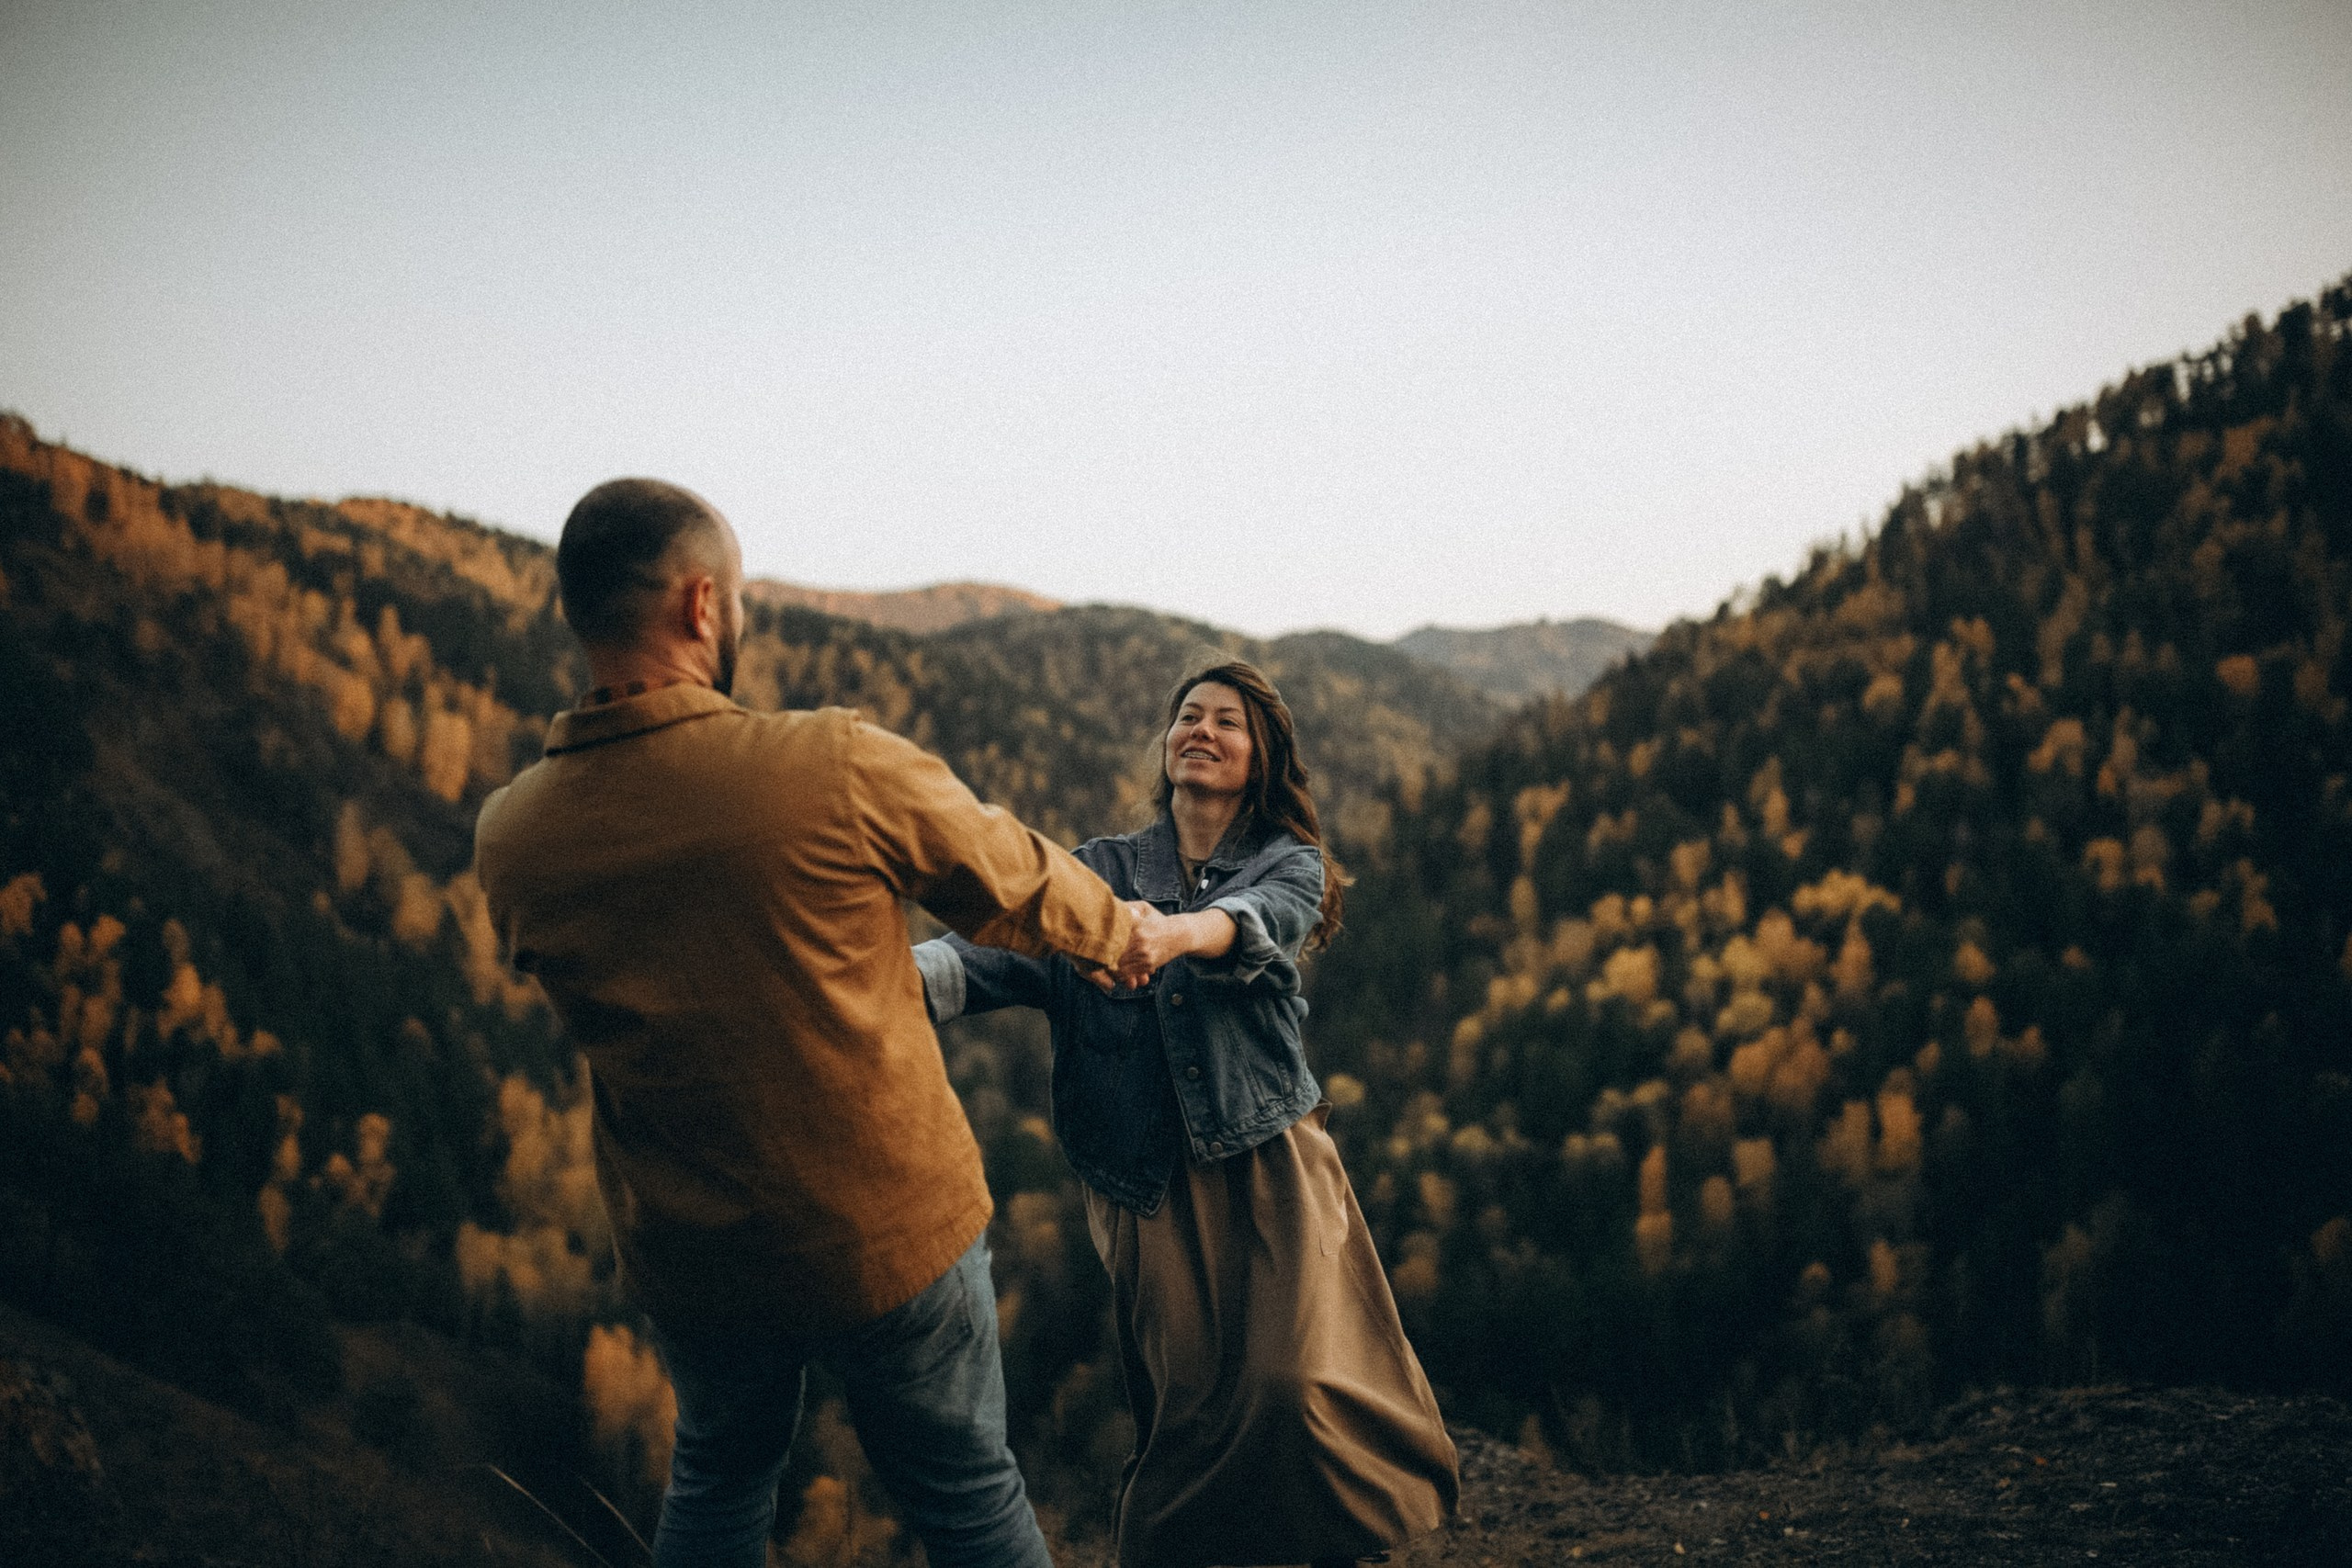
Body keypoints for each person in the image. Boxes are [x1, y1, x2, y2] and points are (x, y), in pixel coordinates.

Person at [474, 478, 1140, 1568]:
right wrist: (1129, 938)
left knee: (718, 1481)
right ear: (701, 606)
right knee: (970, 1495)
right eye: (736, 599)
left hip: (694, 1253)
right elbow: (1010, 879)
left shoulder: (512, 837)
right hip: (887, 1229)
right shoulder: (824, 765)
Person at [914, 662, 1460, 1568]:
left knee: (1296, 1385)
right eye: (1188, 718)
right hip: (1139, 1180)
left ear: (1260, 759)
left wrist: (1168, 934)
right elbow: (991, 958)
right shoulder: (1098, 870)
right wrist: (881, 980)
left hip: (1269, 1159)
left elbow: (1254, 919)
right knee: (1189, 1413)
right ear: (1167, 746)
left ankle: (1371, 1531)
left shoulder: (1289, 863)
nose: (1201, 731)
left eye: (1227, 723)